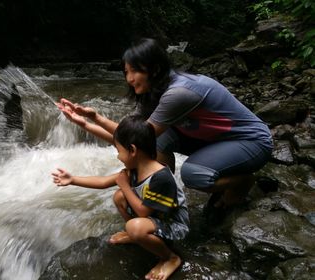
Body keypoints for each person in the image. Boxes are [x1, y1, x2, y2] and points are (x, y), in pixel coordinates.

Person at [56, 38, 273, 216]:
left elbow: (136, 138)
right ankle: (163, 194)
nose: (129, 79)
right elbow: (130, 138)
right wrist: (85, 121)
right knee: (158, 141)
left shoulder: (178, 93)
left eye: (135, 72)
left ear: (155, 69)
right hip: (212, 139)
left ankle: (242, 181)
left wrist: (95, 118)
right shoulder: (154, 93)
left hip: (252, 142)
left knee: (193, 174)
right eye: (126, 72)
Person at [52, 115, 189, 280]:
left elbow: (143, 212)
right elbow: (103, 181)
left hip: (172, 224)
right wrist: (73, 179)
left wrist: (125, 185)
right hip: (154, 216)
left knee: (134, 224)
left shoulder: (161, 178)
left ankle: (170, 257)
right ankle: (136, 236)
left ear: (132, 150)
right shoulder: (136, 168)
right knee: (119, 197)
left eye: (119, 151)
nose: (118, 157)